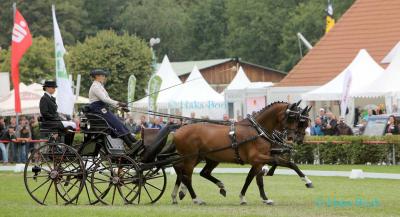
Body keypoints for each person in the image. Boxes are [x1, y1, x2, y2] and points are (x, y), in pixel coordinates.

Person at [88, 69, 137, 148]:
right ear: (97, 76)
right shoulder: (95, 87)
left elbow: (108, 100)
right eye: (102, 76)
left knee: (119, 122)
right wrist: (118, 103)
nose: (104, 77)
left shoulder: (100, 86)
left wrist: (120, 107)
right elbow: (104, 99)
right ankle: (130, 143)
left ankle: (133, 140)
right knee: (116, 123)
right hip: (98, 109)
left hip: (102, 108)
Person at [39, 80, 76, 146]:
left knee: (71, 126)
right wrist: (57, 119)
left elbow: (54, 112)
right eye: (53, 88)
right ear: (47, 88)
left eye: (55, 88)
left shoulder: (51, 98)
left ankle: (66, 146)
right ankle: (67, 147)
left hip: (53, 121)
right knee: (70, 126)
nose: (54, 89)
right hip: (49, 122)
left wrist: (61, 118)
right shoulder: (44, 98)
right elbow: (44, 113)